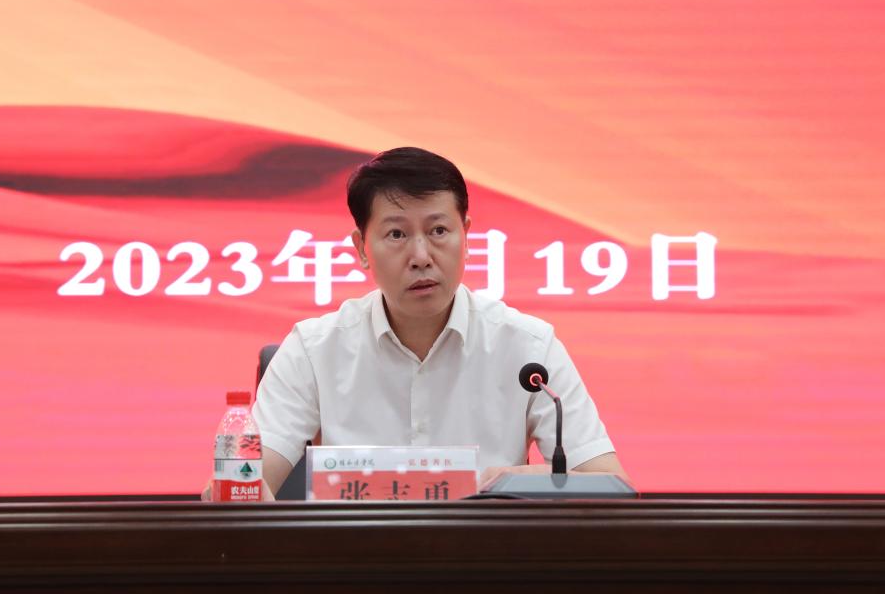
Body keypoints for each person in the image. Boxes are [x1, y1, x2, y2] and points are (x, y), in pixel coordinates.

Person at [208, 147, 628, 500]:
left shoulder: (528, 348)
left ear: (466, 235)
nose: (422, 256)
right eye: (397, 235)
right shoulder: (313, 350)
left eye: (439, 230)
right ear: (362, 248)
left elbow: (611, 486)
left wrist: (518, 481)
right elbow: (237, 489)